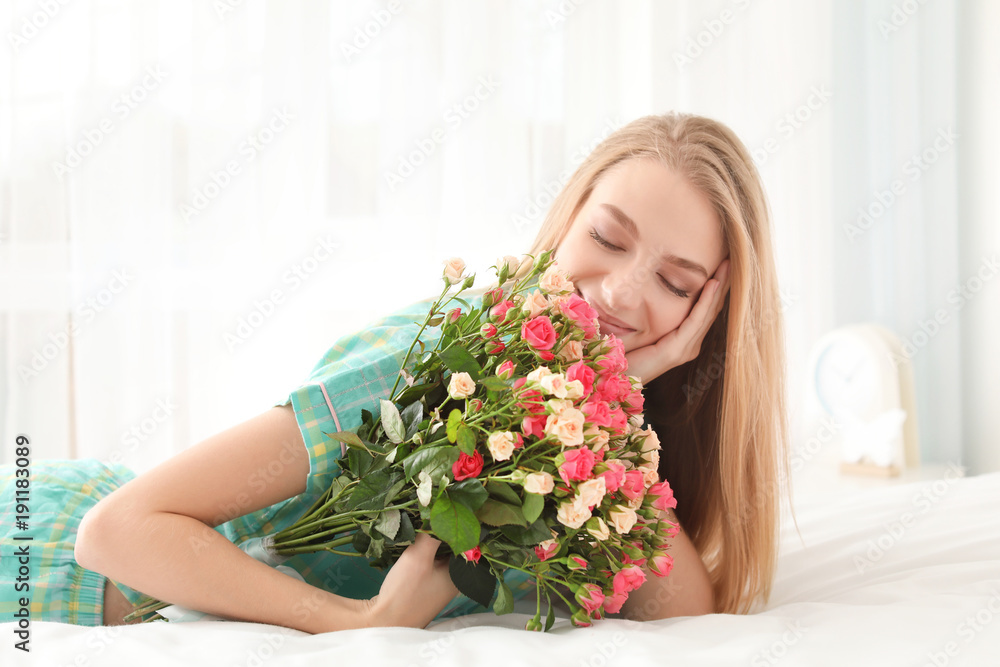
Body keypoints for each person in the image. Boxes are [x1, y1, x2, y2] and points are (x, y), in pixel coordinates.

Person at [0, 111, 791, 631]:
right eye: (608, 239)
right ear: (565, 221)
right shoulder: (437, 356)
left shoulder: (577, 438)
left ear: (708, 316)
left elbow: (683, 617)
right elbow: (115, 533)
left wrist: (613, 394)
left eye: (677, 284)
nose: (621, 292)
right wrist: (361, 624)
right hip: (42, 563)